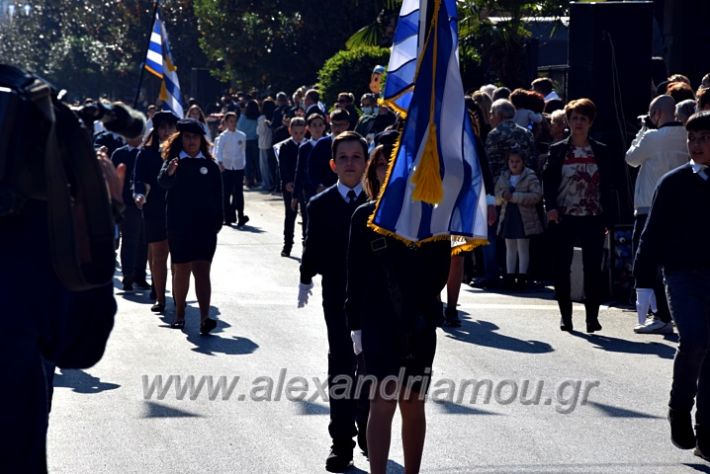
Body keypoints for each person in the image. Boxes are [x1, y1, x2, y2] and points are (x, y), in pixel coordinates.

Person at [346, 141, 450, 474]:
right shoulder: (364, 216)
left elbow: (440, 273)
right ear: (375, 172)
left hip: (419, 323)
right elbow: (355, 277)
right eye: (382, 166)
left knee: (413, 403)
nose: (390, 172)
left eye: (399, 166)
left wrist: (418, 314)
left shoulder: (432, 216)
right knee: (382, 401)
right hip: (378, 324)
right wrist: (356, 328)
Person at [633, 111, 710, 459]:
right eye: (692, 139)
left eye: (704, 138)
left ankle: (707, 431)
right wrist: (643, 283)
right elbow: (651, 236)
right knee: (694, 339)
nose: (696, 145)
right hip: (681, 275)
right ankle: (680, 406)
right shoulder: (674, 183)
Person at [298, 131, 369, 472]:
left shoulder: (381, 205)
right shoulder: (320, 204)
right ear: (333, 164)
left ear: (367, 163)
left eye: (357, 157)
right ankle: (342, 443)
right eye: (343, 158)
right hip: (338, 299)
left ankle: (369, 427)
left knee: (371, 369)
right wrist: (304, 277)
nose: (350, 163)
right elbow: (312, 247)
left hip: (376, 301)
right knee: (342, 367)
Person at [542, 98, 616, 333]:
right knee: (561, 267)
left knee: (593, 268)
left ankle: (591, 317)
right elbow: (549, 182)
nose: (578, 123)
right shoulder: (558, 150)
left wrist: (609, 218)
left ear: (590, 122)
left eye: (583, 119)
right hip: (564, 215)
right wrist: (550, 207)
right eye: (574, 118)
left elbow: (610, 186)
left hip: (593, 215)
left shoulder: (601, 151)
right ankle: (566, 316)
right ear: (568, 121)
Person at [625, 94, 688, 334]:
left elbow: (631, 159)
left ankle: (659, 314)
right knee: (674, 262)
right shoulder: (686, 135)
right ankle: (673, 312)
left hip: (649, 206)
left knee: (646, 261)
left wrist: (641, 131)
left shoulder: (652, 136)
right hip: (681, 208)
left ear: (656, 114)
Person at [157, 119, 223, 334]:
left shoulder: (211, 166)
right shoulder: (173, 162)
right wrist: (170, 173)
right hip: (179, 226)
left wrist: (217, 222)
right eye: (187, 137)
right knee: (182, 269)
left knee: (203, 270)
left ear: (201, 140)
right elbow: (162, 183)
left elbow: (218, 197)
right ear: (181, 139)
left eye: (195, 137)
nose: (191, 141)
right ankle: (179, 315)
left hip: (204, 228)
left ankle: (205, 318)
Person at [133, 111, 178, 313]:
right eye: (162, 127)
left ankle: (179, 294)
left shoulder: (183, 152)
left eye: (169, 126)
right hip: (153, 209)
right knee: (158, 255)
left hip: (178, 209)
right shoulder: (146, 153)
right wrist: (140, 195)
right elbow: (139, 180)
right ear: (156, 129)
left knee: (177, 257)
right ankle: (160, 296)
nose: (166, 130)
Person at [495, 148, 544, 290]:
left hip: (524, 216)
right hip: (508, 214)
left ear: (523, 162)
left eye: (517, 161)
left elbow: (536, 195)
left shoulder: (530, 176)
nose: (514, 164)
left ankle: (522, 277)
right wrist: (502, 195)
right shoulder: (504, 177)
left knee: (523, 246)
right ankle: (509, 276)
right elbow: (497, 194)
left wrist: (515, 197)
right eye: (511, 161)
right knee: (509, 246)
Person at [112, 135, 149, 291]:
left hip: (145, 203)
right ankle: (128, 275)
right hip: (127, 203)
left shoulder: (146, 153)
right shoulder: (119, 153)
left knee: (143, 241)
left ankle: (140, 276)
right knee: (129, 240)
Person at [277, 117, 307, 257]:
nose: (298, 135)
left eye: (301, 132)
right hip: (290, 186)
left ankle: (306, 245)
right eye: (295, 132)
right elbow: (282, 167)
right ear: (290, 131)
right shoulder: (285, 146)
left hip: (305, 186)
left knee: (307, 216)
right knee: (290, 214)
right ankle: (287, 245)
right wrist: (287, 181)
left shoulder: (308, 146)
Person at [215, 111, 249, 228]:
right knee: (226, 192)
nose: (233, 124)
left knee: (238, 192)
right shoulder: (223, 137)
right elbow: (218, 150)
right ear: (226, 122)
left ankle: (240, 215)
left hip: (238, 167)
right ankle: (227, 217)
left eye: (234, 121)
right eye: (230, 121)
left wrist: (244, 165)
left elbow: (243, 151)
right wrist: (220, 162)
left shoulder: (242, 135)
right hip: (226, 166)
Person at [238, 99, 261, 187]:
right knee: (257, 161)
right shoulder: (258, 117)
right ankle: (259, 178)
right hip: (256, 140)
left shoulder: (243, 116)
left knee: (248, 161)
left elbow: (239, 128)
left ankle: (249, 179)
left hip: (246, 141)